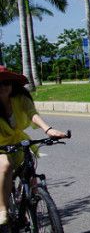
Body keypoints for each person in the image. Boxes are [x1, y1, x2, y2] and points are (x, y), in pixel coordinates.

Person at [0, 67, 68, 224]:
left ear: (12, 85)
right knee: (5, 166)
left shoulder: (21, 99)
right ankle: (2, 209)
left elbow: (32, 114)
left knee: (29, 169)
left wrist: (48, 130)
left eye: (6, 82)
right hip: (0, 146)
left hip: (18, 142)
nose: (2, 86)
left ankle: (30, 205)